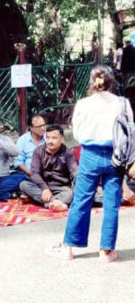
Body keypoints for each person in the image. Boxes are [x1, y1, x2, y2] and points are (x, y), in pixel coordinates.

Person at [46, 66, 132, 262]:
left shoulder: (83, 104)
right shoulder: (122, 103)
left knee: (81, 200)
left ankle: (68, 247)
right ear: (112, 82)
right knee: (112, 202)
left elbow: (77, 133)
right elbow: (130, 130)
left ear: (92, 82)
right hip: (115, 155)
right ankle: (106, 250)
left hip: (90, 154)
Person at [18, 125, 76, 211]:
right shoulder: (38, 151)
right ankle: (56, 203)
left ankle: (46, 202)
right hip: (42, 186)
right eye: (48, 138)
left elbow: (75, 172)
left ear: (62, 139)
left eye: (54, 138)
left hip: (60, 188)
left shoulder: (68, 153)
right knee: (23, 185)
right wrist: (45, 189)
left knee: (69, 193)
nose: (50, 141)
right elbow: (35, 173)